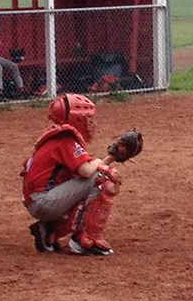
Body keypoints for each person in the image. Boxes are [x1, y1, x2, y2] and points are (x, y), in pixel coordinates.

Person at [21, 93, 122, 256]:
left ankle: (49, 230)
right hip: (43, 201)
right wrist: (102, 164)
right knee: (100, 178)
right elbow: (88, 171)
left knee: (89, 179)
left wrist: (112, 157)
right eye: (87, 118)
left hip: (39, 199)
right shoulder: (65, 140)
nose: (91, 122)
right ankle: (84, 240)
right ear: (76, 119)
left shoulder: (58, 135)